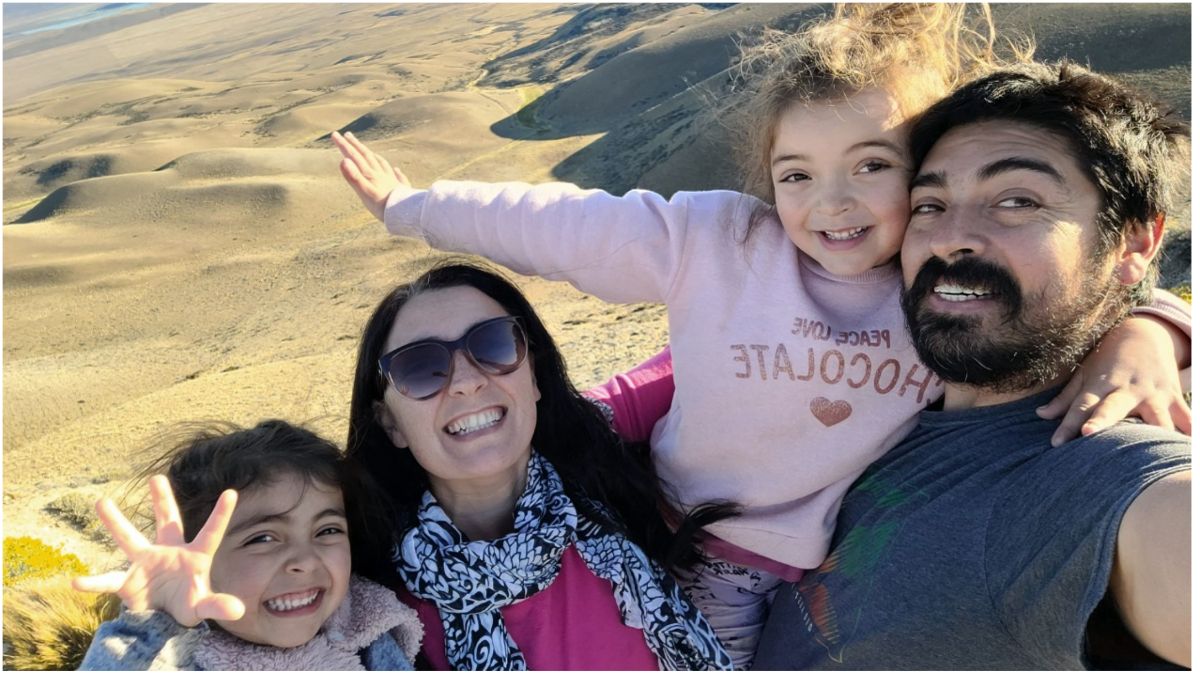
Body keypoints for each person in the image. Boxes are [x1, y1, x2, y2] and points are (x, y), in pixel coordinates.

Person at [331, 5, 1190, 664]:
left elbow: (1095, 294)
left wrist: (1155, 325)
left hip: (753, 570)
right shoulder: (733, 243)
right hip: (633, 503)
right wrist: (416, 209)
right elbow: (571, 226)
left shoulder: (942, 305)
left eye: (874, 167)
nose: (833, 204)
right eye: (797, 176)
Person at [754, 60, 1191, 669]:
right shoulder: (871, 383)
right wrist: (1160, 325)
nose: (949, 237)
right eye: (929, 204)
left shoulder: (1096, 472)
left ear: (1134, 243)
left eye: (1016, 200)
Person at [343, 261, 733, 670]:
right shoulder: (369, 614)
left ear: (533, 377)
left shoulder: (600, 458)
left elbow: (721, 342)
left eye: (493, 344)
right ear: (390, 422)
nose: (466, 381)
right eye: (419, 369)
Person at [73, 420, 424, 670]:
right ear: (198, 564)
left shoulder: (367, 633)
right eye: (263, 538)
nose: (305, 560)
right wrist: (149, 626)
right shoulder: (169, 656)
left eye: (327, 530)